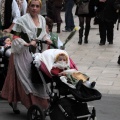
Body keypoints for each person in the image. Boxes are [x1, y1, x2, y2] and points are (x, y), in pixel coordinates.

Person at [1, 0, 52, 114]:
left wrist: (47, 39)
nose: (34, 8)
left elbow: (43, 34)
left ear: (40, 8)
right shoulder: (21, 20)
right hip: (21, 52)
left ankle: (38, 104)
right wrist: (26, 43)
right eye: (32, 6)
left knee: (35, 78)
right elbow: (15, 37)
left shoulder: (42, 20)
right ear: (28, 7)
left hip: (35, 52)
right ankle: (22, 104)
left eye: (37, 6)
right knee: (24, 80)